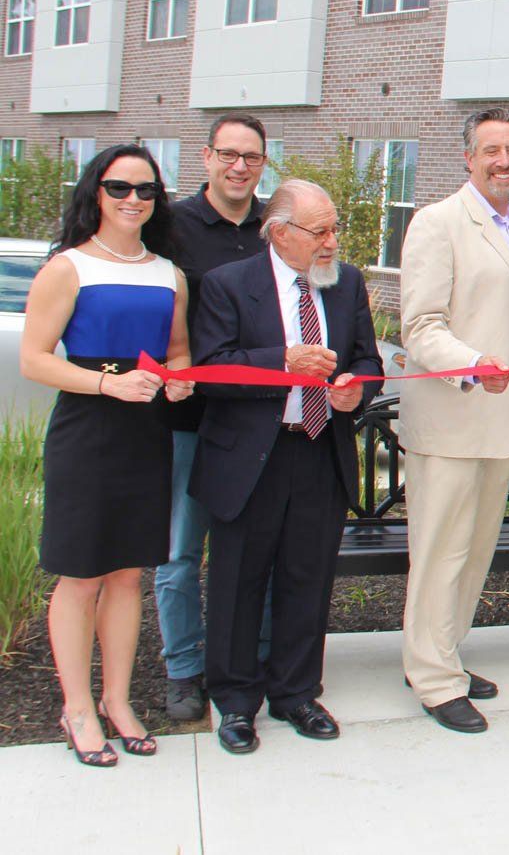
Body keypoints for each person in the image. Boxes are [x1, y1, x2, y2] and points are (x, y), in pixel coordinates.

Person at [188, 180, 380, 754]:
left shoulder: (346, 285)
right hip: (251, 457)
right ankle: (236, 702)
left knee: (308, 578)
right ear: (279, 233)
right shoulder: (229, 285)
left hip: (320, 448)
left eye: (334, 228)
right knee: (238, 583)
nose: (331, 242)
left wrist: (355, 391)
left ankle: (296, 692)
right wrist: (283, 361)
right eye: (319, 231)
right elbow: (213, 368)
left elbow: (368, 358)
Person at [20, 145, 194, 766]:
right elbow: (35, 358)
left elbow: (176, 349)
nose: (133, 200)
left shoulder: (168, 273)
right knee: (82, 574)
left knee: (128, 576)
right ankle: (77, 708)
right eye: (120, 188)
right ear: (97, 191)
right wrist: (106, 383)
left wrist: (179, 377)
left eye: (146, 191)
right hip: (88, 431)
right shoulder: (67, 268)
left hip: (146, 433)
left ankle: (118, 701)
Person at [398, 108, 509, 734]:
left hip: (499, 420)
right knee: (441, 552)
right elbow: (420, 327)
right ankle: (433, 678)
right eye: (492, 150)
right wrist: (473, 364)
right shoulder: (439, 223)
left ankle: (443, 655)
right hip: (451, 419)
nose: (505, 161)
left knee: (472, 555)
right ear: (467, 157)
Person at [156, 114, 272, 723]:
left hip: (256, 424)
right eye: (228, 154)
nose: (239, 167)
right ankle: (183, 668)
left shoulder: (275, 226)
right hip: (186, 418)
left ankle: (256, 660)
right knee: (180, 552)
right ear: (205, 157)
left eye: (251, 157)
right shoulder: (169, 227)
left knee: (258, 549)